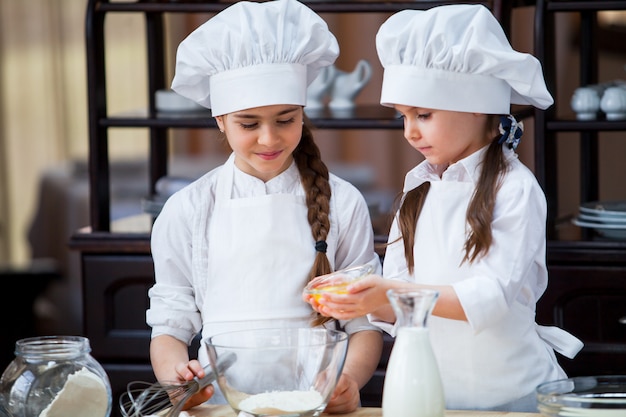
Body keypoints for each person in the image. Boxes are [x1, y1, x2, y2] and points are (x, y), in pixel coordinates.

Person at [303, 4, 583, 412]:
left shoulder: (516, 189)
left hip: (512, 397)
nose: (410, 131)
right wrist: (359, 299)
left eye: (423, 114)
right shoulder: (418, 188)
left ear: (475, 104)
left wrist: (389, 291)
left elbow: (487, 299)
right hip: (427, 393)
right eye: (403, 117)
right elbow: (398, 304)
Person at [145, 0, 383, 413]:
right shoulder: (188, 210)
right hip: (221, 404)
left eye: (286, 119)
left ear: (303, 113)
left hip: (315, 404)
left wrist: (347, 380)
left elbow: (365, 324)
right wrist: (178, 380)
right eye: (249, 124)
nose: (270, 139)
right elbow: (169, 327)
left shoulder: (342, 202)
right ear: (219, 118)